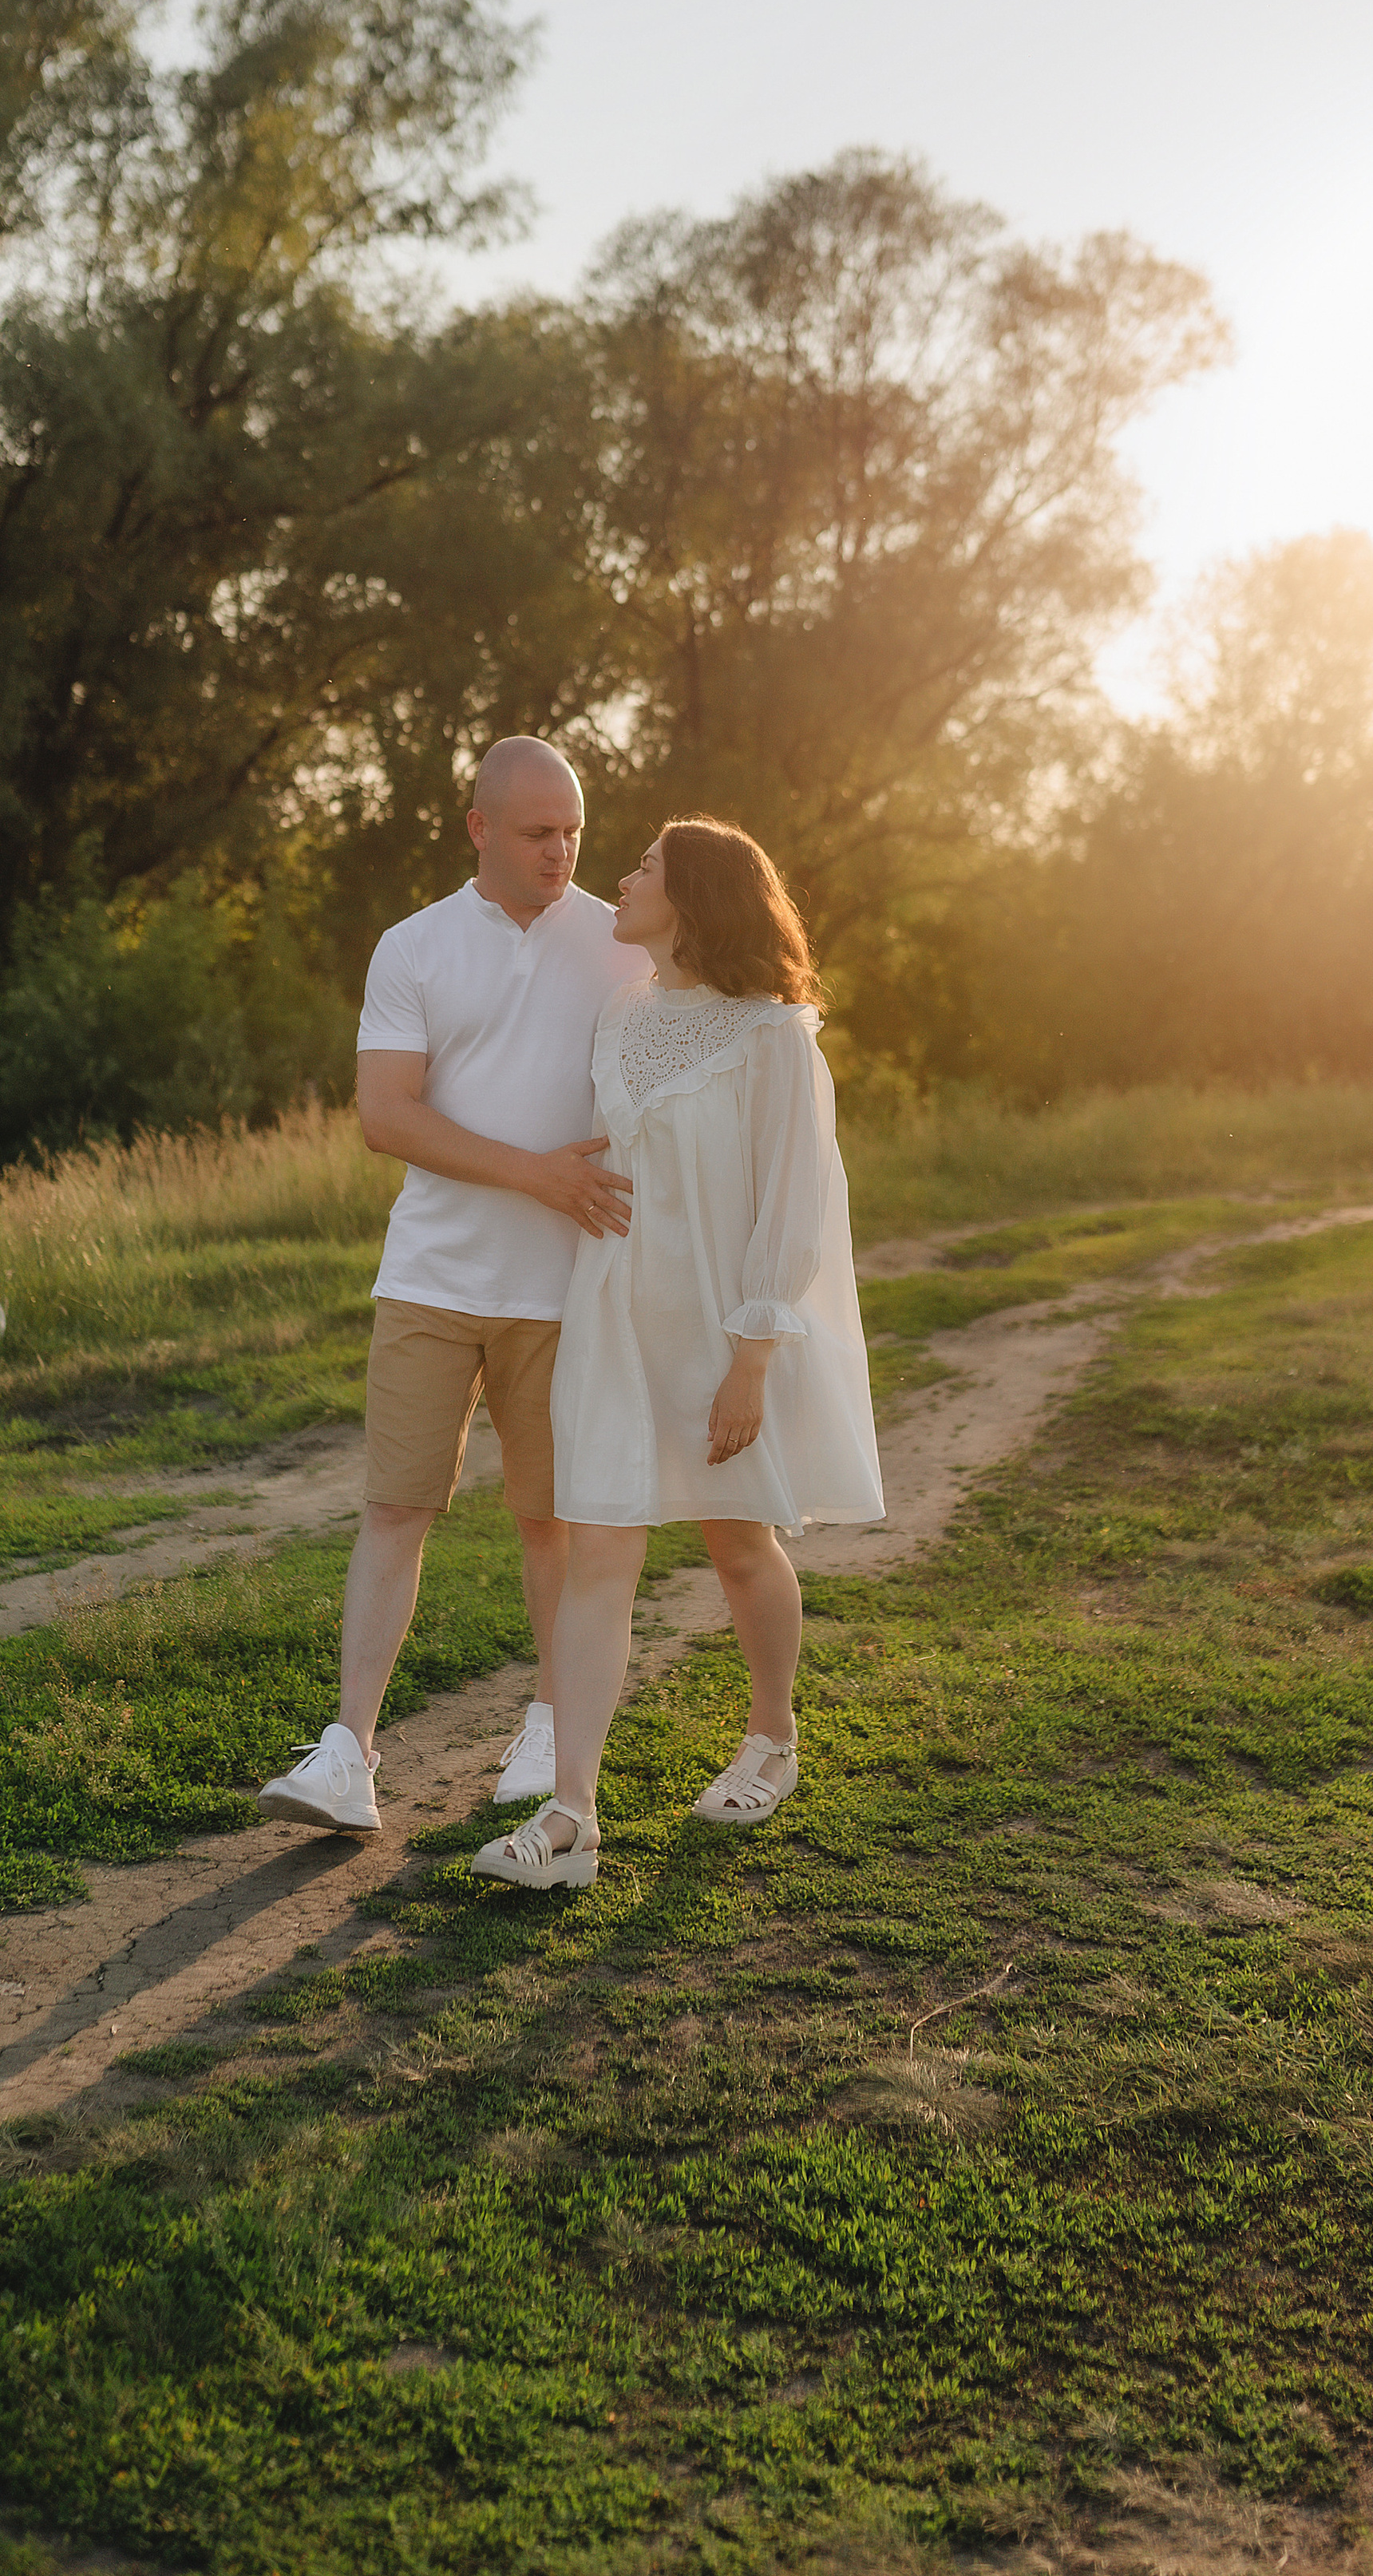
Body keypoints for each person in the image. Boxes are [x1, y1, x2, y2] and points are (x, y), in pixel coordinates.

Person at [470, 816, 883, 1890]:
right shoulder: (620, 1014)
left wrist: (751, 1355)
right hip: (613, 1318)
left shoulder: (773, 1034)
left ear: (693, 897)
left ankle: (772, 1739)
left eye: (646, 867)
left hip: (717, 1328)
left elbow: (793, 1203)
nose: (623, 877)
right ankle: (572, 1820)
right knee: (599, 1554)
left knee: (739, 1542)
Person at [257, 738, 649, 1833]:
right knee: (395, 1504)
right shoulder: (414, 946)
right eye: (537, 831)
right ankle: (350, 1754)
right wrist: (537, 1174)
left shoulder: (622, 949)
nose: (560, 850)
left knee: (547, 1521)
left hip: (568, 1288)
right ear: (480, 827)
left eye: (574, 829)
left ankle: (548, 1725)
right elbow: (388, 1115)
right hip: (430, 1275)